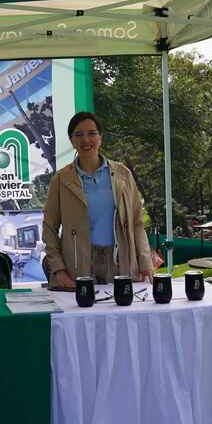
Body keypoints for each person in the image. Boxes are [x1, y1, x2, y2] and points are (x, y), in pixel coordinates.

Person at [43, 111, 161, 291]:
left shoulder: (123, 174)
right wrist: (59, 270)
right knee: (81, 309)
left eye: (92, 133)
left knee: (122, 308)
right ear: (72, 141)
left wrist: (145, 261)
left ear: (100, 138)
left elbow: (137, 223)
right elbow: (49, 228)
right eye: (79, 134)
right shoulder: (61, 180)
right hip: (78, 265)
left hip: (120, 261)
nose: (86, 140)